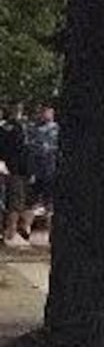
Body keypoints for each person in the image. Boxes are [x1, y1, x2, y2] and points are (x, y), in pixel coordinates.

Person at [0, 104, 33, 248]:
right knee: (13, 202)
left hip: (18, 170)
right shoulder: (14, 129)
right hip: (13, 169)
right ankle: (10, 233)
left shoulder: (19, 127)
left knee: (17, 202)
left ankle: (12, 232)